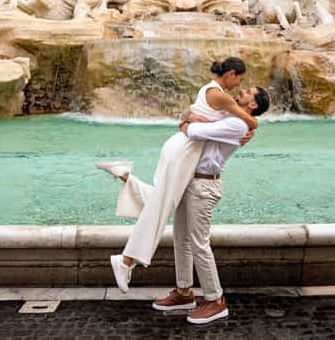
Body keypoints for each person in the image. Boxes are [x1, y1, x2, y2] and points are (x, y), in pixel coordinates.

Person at [94, 58, 258, 294]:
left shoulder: (214, 93)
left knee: (159, 201)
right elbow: (248, 121)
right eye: (241, 80)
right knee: (160, 206)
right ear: (231, 74)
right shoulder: (222, 97)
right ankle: (126, 260)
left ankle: (125, 176)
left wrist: (187, 117)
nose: (241, 87)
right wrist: (253, 126)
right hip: (185, 150)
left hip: (181, 149)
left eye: (247, 90)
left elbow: (200, 115)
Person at [152, 85, 270, 325]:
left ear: (253, 105)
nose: (242, 89)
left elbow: (194, 132)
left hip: (204, 186)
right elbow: (194, 116)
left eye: (248, 91)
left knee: (199, 243)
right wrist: (186, 118)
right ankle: (184, 292)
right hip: (190, 181)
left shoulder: (237, 124)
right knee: (181, 239)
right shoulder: (230, 117)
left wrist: (185, 125)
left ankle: (216, 301)